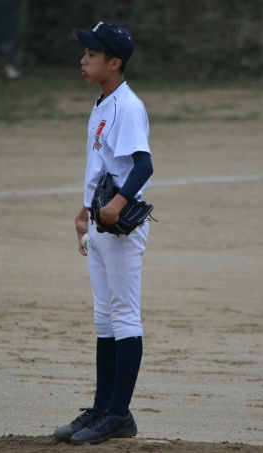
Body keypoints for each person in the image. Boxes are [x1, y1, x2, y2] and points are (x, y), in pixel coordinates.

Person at [54, 21, 154, 445]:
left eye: (92, 54)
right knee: (104, 317)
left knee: (124, 316)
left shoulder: (127, 106)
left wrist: (117, 204)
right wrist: (85, 210)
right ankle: (102, 407)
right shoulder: (102, 103)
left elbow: (143, 164)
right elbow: (105, 166)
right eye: (85, 53)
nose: (84, 59)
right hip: (99, 223)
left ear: (115, 63)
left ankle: (119, 414)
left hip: (120, 228)